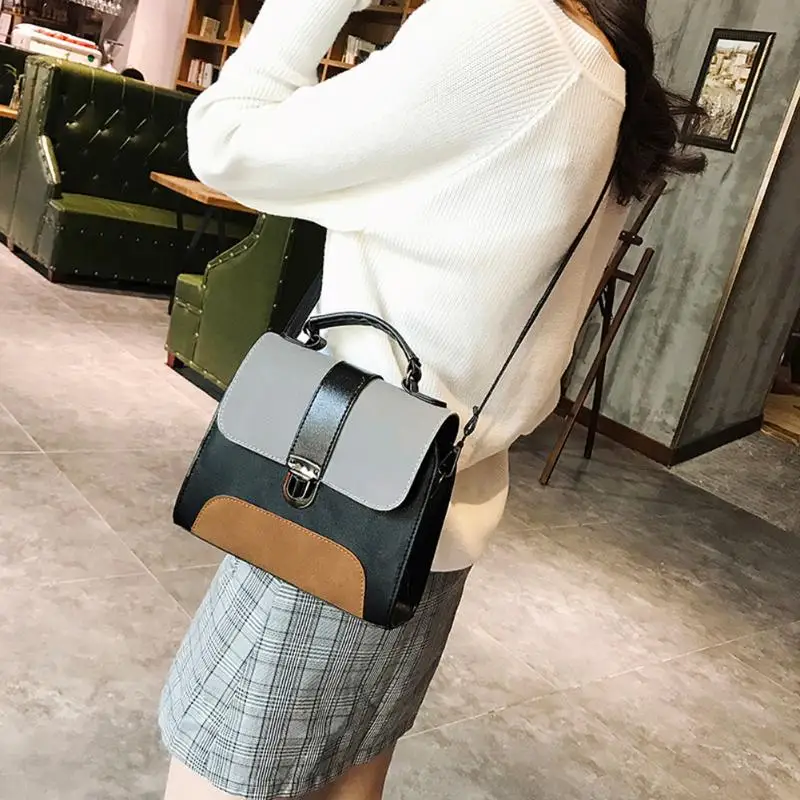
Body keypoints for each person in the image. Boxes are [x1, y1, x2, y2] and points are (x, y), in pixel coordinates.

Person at [159, 1, 705, 798]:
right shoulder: (607, 73)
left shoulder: (504, 31)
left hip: (338, 500)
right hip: (437, 511)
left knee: (219, 766)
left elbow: (223, 144)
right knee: (347, 771)